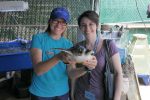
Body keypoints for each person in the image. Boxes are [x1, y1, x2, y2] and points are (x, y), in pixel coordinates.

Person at [69, 11, 122, 100]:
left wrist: (116, 98)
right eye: (83, 25)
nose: (87, 28)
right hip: (80, 95)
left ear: (97, 25)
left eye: (91, 24)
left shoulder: (108, 45)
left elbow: (118, 73)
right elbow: (71, 74)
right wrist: (72, 94)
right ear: (80, 28)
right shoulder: (77, 47)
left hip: (101, 96)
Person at [29, 7, 73, 100]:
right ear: (50, 21)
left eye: (63, 22)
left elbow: (71, 72)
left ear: (66, 25)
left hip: (62, 92)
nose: (59, 25)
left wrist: (86, 68)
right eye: (56, 20)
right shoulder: (38, 38)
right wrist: (58, 57)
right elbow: (38, 70)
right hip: (40, 93)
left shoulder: (68, 44)